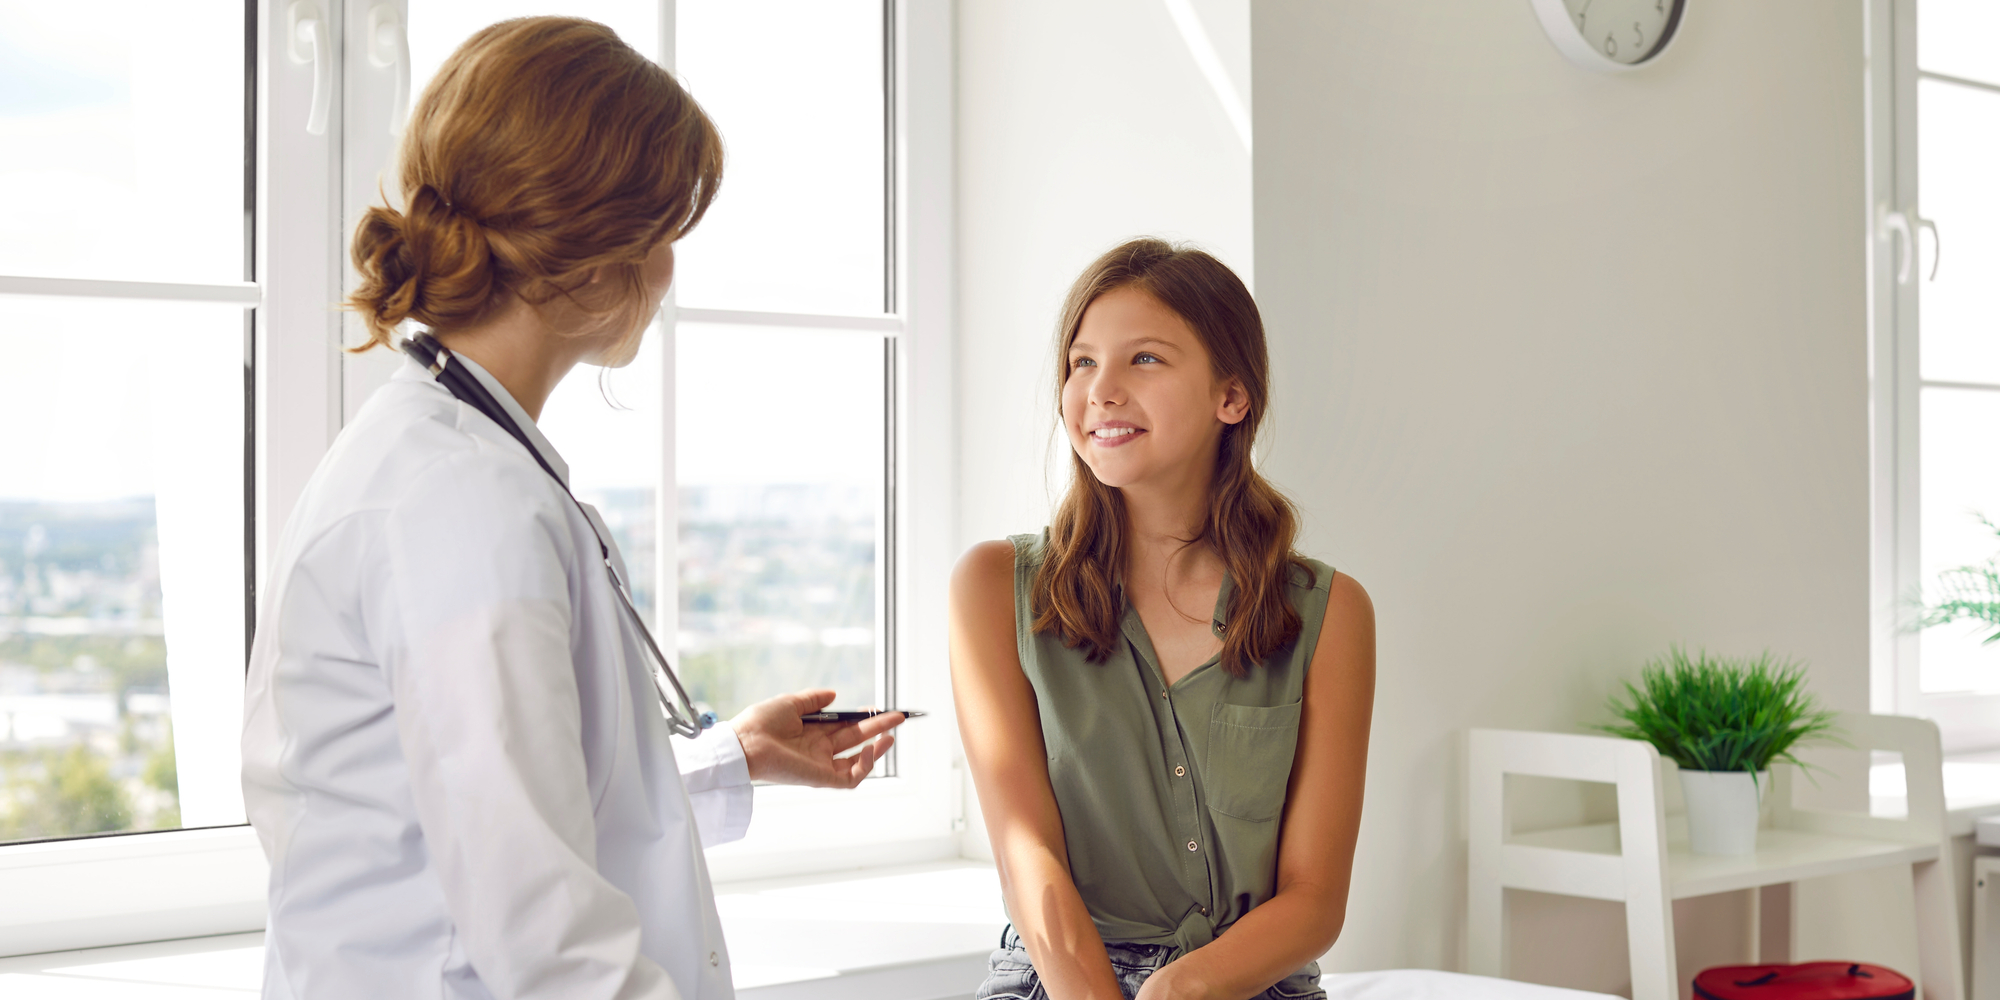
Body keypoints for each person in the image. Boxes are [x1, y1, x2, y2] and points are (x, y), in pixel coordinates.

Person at [239, 18, 902, 999]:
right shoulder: (461, 503)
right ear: (594, 253)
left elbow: (488, 812)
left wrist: (735, 759)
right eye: (665, 236)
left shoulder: (447, 457)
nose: (669, 272)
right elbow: (541, 932)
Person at [950, 239, 1375, 1000]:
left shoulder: (1329, 612)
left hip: (1248, 983)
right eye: (1082, 362)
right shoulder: (992, 587)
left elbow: (1315, 900)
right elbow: (1026, 856)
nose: (1100, 390)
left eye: (1144, 359)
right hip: (1055, 980)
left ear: (1231, 397)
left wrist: (1178, 990)